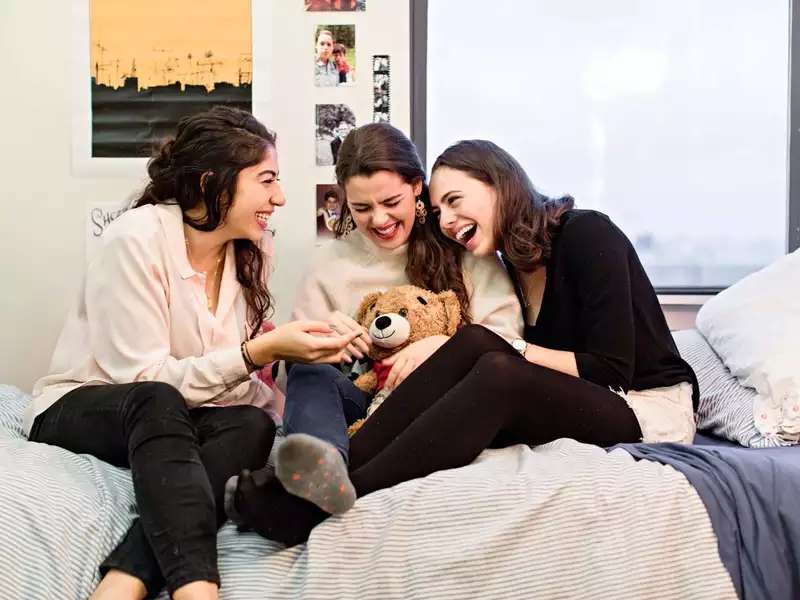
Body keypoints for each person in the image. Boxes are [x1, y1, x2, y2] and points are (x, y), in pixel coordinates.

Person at [227, 138, 700, 547]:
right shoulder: (515, 264)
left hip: (644, 405)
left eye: (455, 201)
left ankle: (319, 505)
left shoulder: (586, 233)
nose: (448, 220)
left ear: (499, 183)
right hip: (581, 400)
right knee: (481, 352)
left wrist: (502, 348)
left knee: (494, 364)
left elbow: (612, 370)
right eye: (438, 212)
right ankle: (323, 481)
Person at [26, 106, 360, 600]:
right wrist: (258, 351)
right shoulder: (134, 241)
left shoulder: (250, 250)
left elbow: (226, 374)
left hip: (173, 412)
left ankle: (126, 577)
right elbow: (145, 378)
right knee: (156, 398)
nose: (281, 198)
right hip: (88, 402)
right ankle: (196, 588)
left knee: (251, 422)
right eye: (266, 181)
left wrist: (300, 348)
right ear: (213, 182)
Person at [224, 123, 523, 520]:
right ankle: (322, 464)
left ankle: (302, 499)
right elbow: (286, 374)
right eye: (361, 208)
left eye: (390, 202)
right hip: (358, 404)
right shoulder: (330, 263)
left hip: (441, 404)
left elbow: (507, 342)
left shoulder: (462, 245)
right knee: (307, 369)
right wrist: (324, 342)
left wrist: (440, 347)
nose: (378, 219)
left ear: (417, 186)